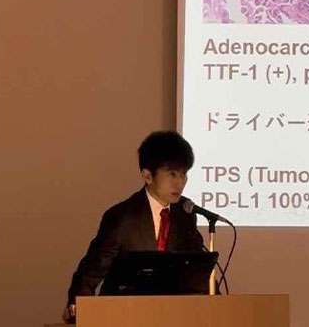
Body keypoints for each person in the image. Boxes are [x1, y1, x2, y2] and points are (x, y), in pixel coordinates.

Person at [62, 131, 204, 323]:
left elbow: (199, 268)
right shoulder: (122, 217)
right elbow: (91, 271)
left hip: (170, 316)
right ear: (147, 176)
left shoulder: (185, 213)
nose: (180, 182)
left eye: (184, 174)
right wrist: (77, 309)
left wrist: (217, 303)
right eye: (172, 174)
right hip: (121, 316)